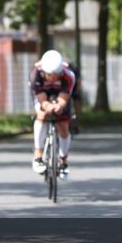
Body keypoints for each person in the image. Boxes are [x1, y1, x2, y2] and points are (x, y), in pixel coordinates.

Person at [30, 49, 76, 179]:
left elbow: (64, 97)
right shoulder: (35, 74)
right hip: (42, 92)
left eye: (56, 75)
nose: (53, 77)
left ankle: (63, 161)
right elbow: (42, 99)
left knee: (63, 124)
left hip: (60, 92)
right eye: (50, 75)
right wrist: (46, 106)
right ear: (44, 71)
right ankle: (38, 156)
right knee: (42, 115)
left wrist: (59, 106)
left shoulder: (69, 75)